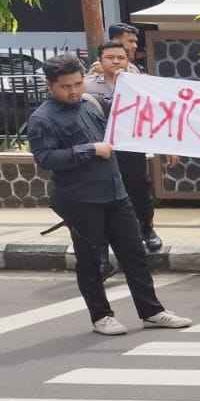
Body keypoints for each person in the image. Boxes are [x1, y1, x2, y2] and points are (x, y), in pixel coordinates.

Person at [25, 54, 191, 335]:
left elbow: (122, 126)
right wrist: (89, 149)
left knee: (134, 254)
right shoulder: (42, 118)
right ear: (50, 86)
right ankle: (101, 316)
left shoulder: (90, 104)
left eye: (78, 84)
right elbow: (45, 158)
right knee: (91, 260)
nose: (75, 91)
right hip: (80, 199)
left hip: (115, 192)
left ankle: (151, 311)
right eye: (66, 87)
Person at [82, 39, 161, 255]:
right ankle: (106, 241)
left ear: (128, 60)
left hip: (131, 147)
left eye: (121, 57)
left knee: (139, 189)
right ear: (99, 60)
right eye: (110, 57)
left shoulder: (140, 82)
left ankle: (147, 230)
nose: (116, 61)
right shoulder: (86, 85)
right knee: (105, 193)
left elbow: (157, 114)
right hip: (102, 149)